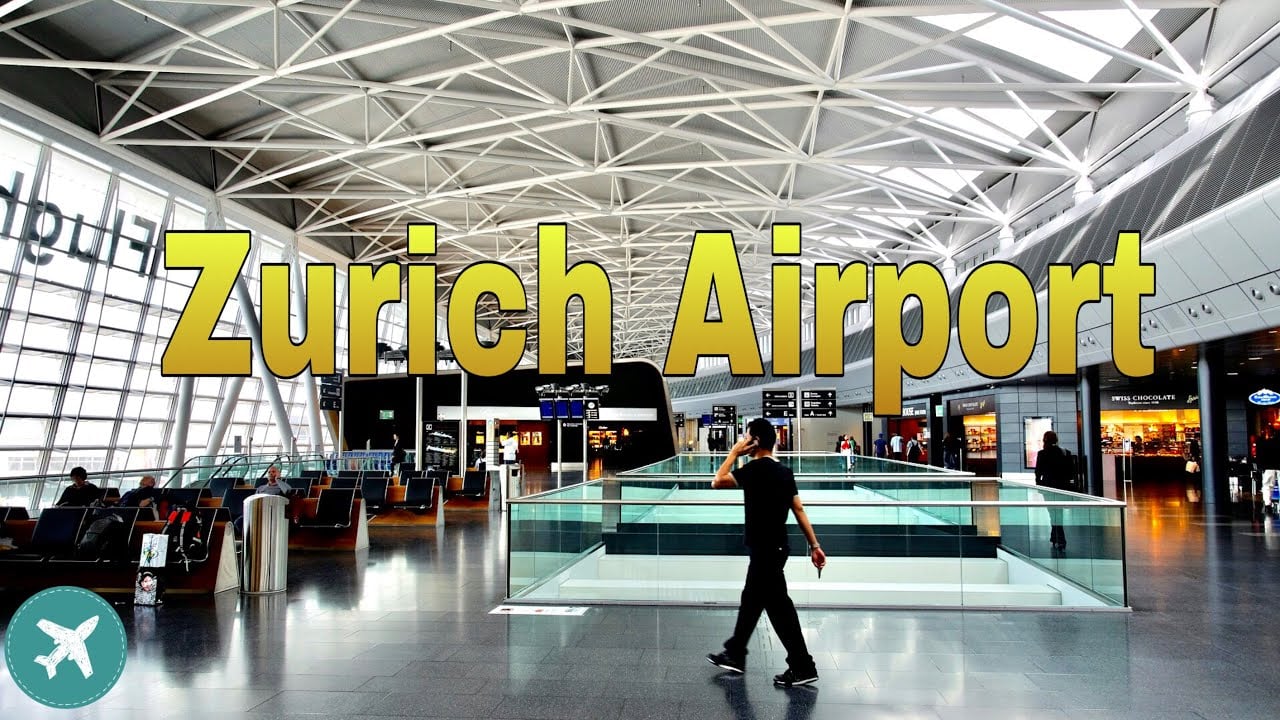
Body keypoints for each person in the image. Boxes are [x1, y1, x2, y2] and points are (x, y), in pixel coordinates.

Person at [705, 418, 826, 688]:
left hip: (763, 550)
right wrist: (815, 546)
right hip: (777, 547)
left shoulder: (753, 470)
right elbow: (798, 509)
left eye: (746, 437)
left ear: (755, 441)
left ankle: (802, 665)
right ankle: (737, 653)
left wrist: (734, 453)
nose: (743, 441)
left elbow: (717, 481)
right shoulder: (784, 472)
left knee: (779, 608)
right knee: (754, 600)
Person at [1034, 431, 1072, 552]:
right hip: (1062, 487)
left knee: (1053, 513)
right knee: (1058, 513)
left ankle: (1060, 539)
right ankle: (1055, 537)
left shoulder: (1042, 454)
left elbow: (1038, 472)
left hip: (1048, 488)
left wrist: (1040, 485)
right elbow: (1070, 472)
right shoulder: (1065, 453)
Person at [1258, 429, 1280, 514]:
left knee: (1267, 486)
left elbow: (1261, 456)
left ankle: (1268, 505)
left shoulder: (1266, 443)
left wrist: (1261, 467)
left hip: (1268, 467)